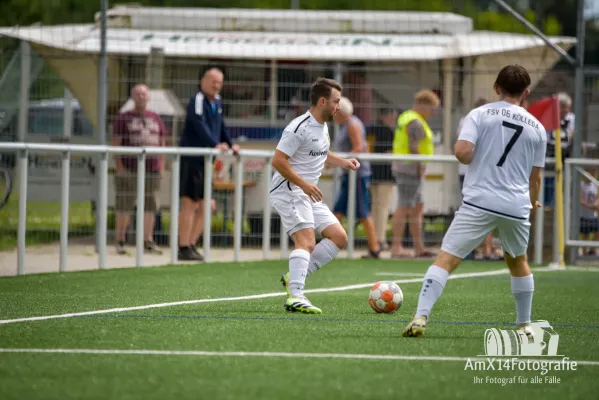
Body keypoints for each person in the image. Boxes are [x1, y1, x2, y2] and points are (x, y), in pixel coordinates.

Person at [402, 65, 547, 338]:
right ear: (526, 93)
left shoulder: (479, 114)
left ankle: (420, 316)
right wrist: (533, 202)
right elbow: (535, 179)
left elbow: (462, 152)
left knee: (446, 259)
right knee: (518, 262)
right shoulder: (537, 128)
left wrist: (476, 155)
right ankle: (524, 324)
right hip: (516, 204)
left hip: (480, 201)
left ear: (496, 87)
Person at [271, 77, 360, 314]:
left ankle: (294, 276)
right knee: (307, 242)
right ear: (323, 101)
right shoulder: (298, 127)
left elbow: (321, 152)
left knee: (339, 237)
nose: (339, 106)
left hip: (306, 192)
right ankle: (296, 296)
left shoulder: (323, 126)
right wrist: (304, 184)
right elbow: (278, 161)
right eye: (336, 101)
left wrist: (343, 162)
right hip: (289, 189)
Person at [178, 67, 239, 261]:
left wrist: (230, 145)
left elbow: (221, 126)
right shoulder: (197, 99)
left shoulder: (218, 102)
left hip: (206, 161)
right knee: (190, 203)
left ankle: (190, 243)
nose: (216, 85)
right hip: (193, 158)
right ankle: (183, 246)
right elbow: (198, 123)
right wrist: (215, 144)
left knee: (208, 206)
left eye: (219, 82)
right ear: (203, 80)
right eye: (213, 81)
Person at [112, 83, 168, 255]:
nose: (141, 97)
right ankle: (121, 239)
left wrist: (162, 165)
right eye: (138, 94)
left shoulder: (156, 118)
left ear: (148, 97)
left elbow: (163, 142)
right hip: (129, 168)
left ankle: (148, 240)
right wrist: (119, 167)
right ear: (132, 97)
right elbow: (116, 143)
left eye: (144, 94)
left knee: (150, 205)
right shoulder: (123, 118)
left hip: (152, 169)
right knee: (125, 204)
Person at [390, 90, 440, 258]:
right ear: (424, 105)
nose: (433, 113)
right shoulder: (415, 122)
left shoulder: (409, 118)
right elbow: (414, 147)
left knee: (417, 207)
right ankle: (397, 247)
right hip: (410, 170)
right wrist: (419, 168)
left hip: (410, 169)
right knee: (404, 207)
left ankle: (418, 247)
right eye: (432, 108)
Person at [332, 97, 381, 259]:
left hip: (357, 175)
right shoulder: (347, 124)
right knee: (338, 210)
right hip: (350, 175)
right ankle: (331, 245)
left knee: (363, 212)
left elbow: (358, 147)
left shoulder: (352, 124)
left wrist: (339, 162)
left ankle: (374, 248)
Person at [456, 97, 502, 261]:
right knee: (483, 212)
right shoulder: (479, 120)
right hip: (478, 173)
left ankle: (479, 248)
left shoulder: (468, 119)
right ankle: (483, 248)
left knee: (473, 211)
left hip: (470, 173)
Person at [368, 107, 400, 251]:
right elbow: (389, 153)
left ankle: (373, 238)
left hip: (371, 172)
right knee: (382, 209)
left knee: (375, 207)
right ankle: (380, 239)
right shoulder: (389, 132)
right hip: (385, 175)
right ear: (388, 116)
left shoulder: (370, 129)